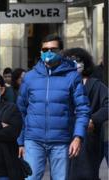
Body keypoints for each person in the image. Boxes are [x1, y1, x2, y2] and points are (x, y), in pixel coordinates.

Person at [17, 34, 90, 180]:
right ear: (40, 52)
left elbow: (83, 109)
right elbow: (21, 110)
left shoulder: (72, 76)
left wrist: (78, 137)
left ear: (61, 52)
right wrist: (20, 141)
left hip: (61, 142)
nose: (48, 53)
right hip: (33, 140)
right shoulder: (30, 77)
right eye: (45, 49)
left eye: (53, 49)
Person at [63, 47, 108, 180]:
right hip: (64, 136)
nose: (74, 64)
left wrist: (93, 119)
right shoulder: (62, 84)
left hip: (88, 139)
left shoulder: (96, 85)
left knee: (85, 174)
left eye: (78, 60)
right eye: (70, 61)